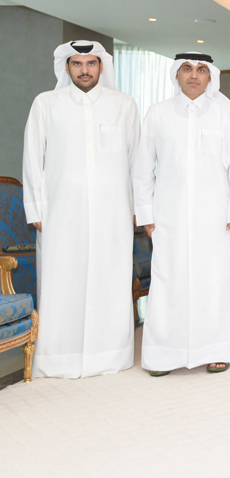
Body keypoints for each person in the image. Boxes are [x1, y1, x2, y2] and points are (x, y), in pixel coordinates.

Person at [22, 40, 140, 378]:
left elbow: (136, 163)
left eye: (91, 63)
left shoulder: (124, 105)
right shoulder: (47, 104)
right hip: (61, 212)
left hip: (113, 213)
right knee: (63, 282)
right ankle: (60, 357)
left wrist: (135, 209)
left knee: (110, 279)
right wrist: (36, 210)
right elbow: (33, 160)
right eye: (77, 64)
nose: (85, 70)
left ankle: (110, 356)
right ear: (67, 67)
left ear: (102, 67)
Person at [133, 53, 230, 376]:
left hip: (217, 216)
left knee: (216, 281)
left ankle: (218, 350)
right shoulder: (157, 114)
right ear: (176, 75)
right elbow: (142, 169)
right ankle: (163, 355)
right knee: (169, 281)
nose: (194, 75)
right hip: (169, 215)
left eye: (200, 70)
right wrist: (146, 214)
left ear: (210, 77)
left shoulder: (224, 115)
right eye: (187, 69)